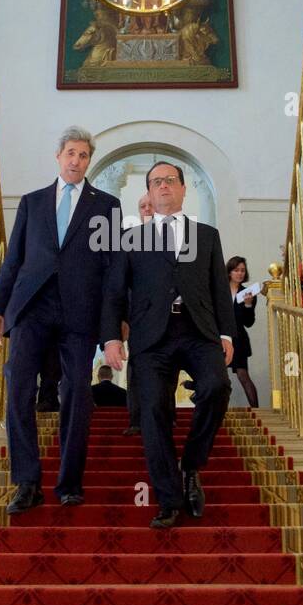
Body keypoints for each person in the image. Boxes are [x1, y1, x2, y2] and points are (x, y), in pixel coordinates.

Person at [0, 127, 121, 512]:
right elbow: (13, 260)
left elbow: (112, 269)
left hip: (80, 312)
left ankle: (69, 483)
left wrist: (112, 326)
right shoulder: (32, 202)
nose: (76, 161)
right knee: (17, 385)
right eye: (71, 153)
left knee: (77, 393)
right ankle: (26, 483)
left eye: (83, 156)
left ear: (88, 162)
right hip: (32, 308)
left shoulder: (106, 205)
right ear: (58, 156)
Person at [102, 161, 235, 528]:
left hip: (198, 331)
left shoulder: (206, 235)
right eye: (156, 182)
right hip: (151, 337)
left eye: (170, 181)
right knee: (154, 414)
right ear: (148, 192)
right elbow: (113, 293)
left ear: (183, 189)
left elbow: (219, 288)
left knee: (216, 386)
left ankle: (191, 463)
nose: (164, 187)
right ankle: (169, 499)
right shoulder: (130, 239)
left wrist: (226, 333)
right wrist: (112, 337)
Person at [123, 192, 153, 436]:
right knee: (135, 366)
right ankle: (135, 419)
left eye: (150, 205)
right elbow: (120, 283)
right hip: (136, 316)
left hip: (168, 315)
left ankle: (166, 414)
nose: (147, 209)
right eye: (142, 206)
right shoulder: (128, 239)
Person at [227, 256, 260, 408]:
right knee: (216, 377)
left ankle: (257, 412)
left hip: (239, 339)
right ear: (229, 272)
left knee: (243, 375)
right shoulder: (219, 290)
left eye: (242, 270)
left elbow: (249, 322)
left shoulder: (248, 293)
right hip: (219, 338)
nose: (239, 273)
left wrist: (248, 305)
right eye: (236, 270)